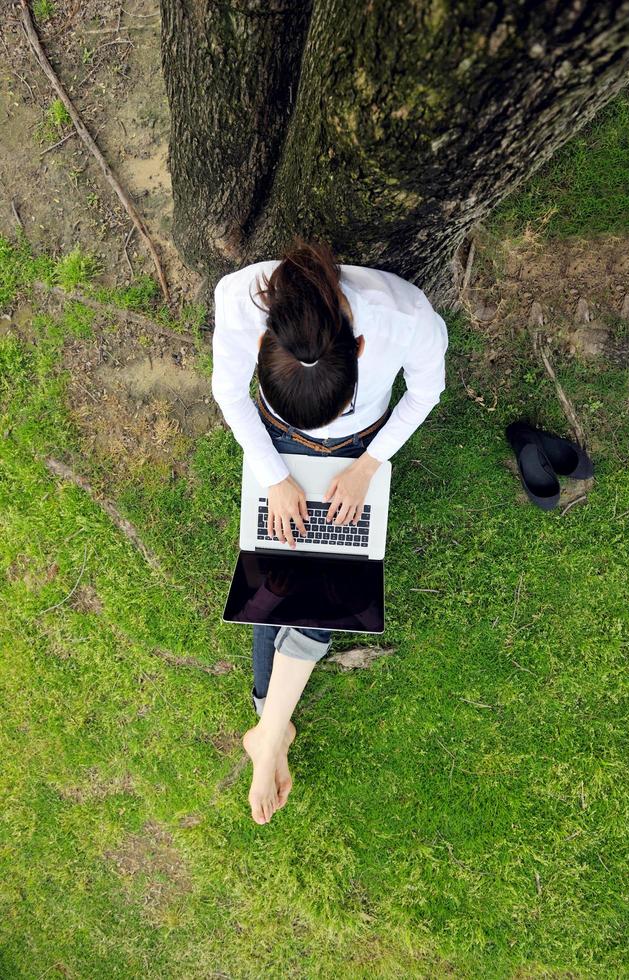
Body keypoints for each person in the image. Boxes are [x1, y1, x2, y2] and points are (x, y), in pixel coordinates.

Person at [212, 238, 448, 825]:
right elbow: (227, 392)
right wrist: (273, 475)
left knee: (327, 574)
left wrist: (369, 465)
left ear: (360, 347)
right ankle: (268, 730)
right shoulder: (241, 301)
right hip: (279, 442)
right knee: (290, 558)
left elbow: (427, 391)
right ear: (266, 342)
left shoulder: (408, 317)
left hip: (357, 449)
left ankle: (270, 727)